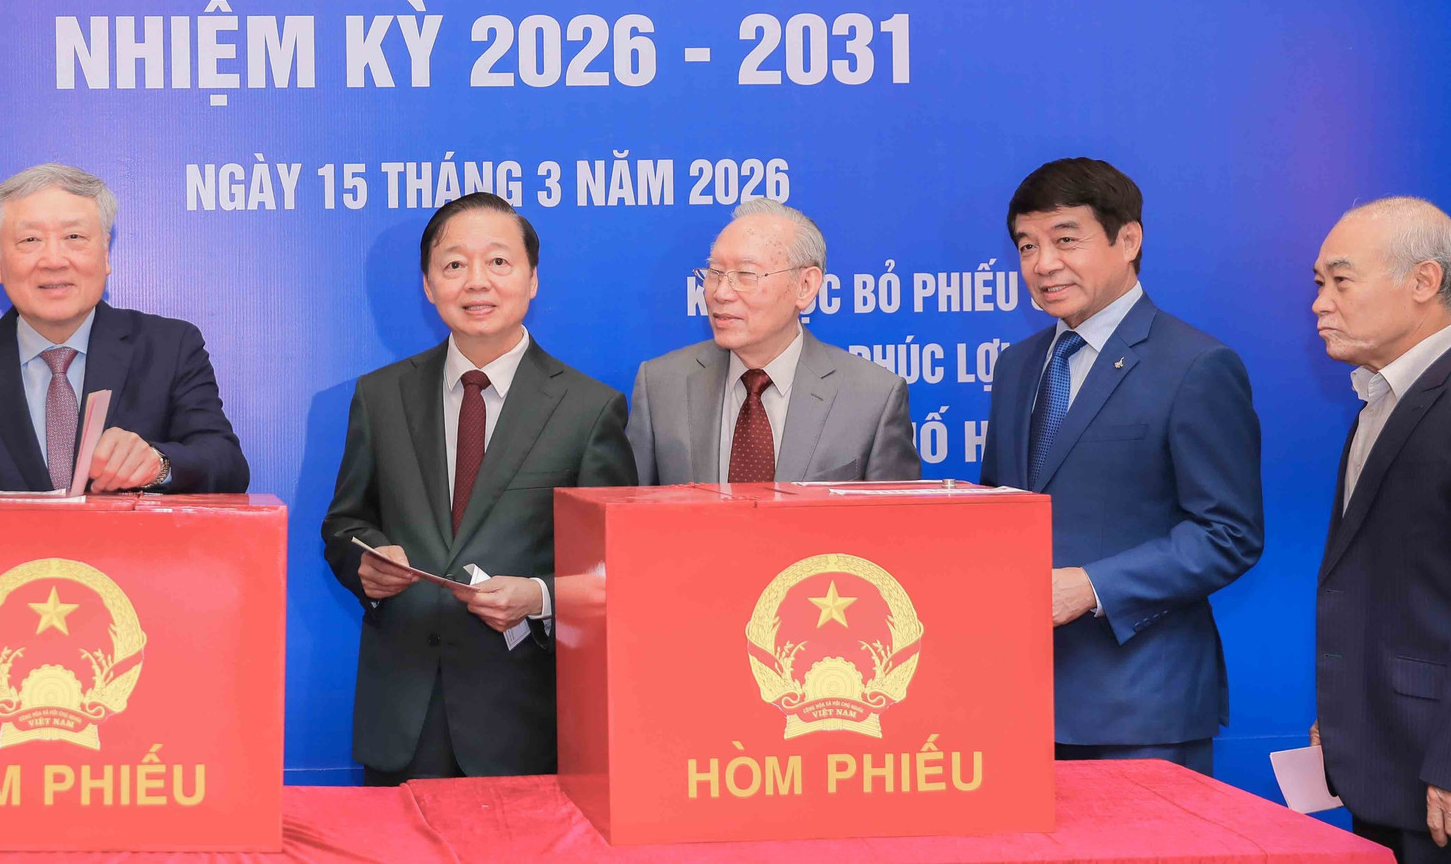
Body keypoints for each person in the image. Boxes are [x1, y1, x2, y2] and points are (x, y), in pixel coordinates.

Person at [322, 193, 636, 783]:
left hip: (524, 716)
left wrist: (539, 597)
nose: (477, 283)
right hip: (404, 714)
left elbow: (613, 567)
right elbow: (343, 524)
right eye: (454, 265)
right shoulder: (379, 396)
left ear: (532, 279)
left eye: (498, 262)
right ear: (428, 283)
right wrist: (364, 562)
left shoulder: (590, 409)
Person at [980, 157, 1262, 776]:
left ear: (1128, 240)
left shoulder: (1196, 365)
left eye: (1065, 239)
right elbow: (999, 510)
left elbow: (1229, 534)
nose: (1043, 263)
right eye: (1027, 246)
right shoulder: (1017, 366)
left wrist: (1091, 586)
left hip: (1141, 706)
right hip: (1017, 703)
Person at [0, 163, 248, 494]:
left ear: (106, 253)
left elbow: (227, 465)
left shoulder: (170, 348)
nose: (54, 260)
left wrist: (158, 464)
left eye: (74, 237)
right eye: (30, 240)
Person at [1309, 197, 1451, 862]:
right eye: (1319, 284)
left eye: (1341, 280)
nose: (1320, 303)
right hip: (1382, 759)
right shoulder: (1379, 395)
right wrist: (1341, 713)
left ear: (1423, 282)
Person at [629, 198, 918, 484]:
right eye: (715, 272)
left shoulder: (873, 398)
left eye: (745, 275)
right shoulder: (661, 386)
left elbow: (895, 527)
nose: (721, 293)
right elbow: (627, 517)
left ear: (805, 286)